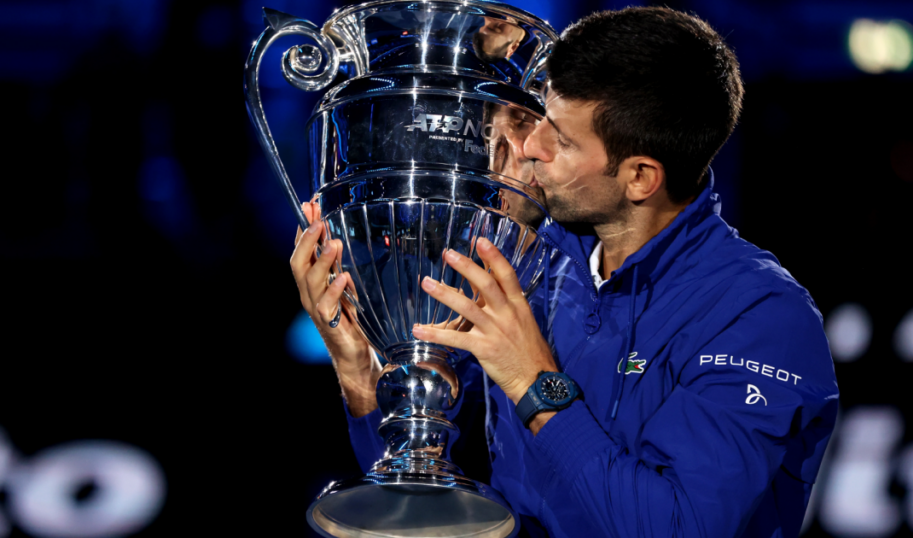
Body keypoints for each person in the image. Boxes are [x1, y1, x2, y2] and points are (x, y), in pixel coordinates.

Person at [291, 6, 838, 538]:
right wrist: (361, 376)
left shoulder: (760, 315)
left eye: (562, 139)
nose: (531, 147)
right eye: (541, 120)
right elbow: (432, 509)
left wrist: (534, 385)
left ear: (640, 177)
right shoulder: (530, 260)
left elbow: (679, 527)